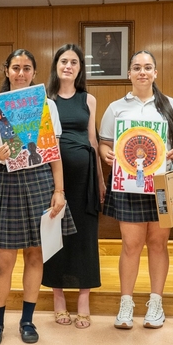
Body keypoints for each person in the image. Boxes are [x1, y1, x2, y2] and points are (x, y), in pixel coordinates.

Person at [0, 49, 75, 345]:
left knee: (35, 255)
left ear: (34, 72)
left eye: (27, 68)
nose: (21, 73)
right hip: (6, 181)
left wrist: (59, 191)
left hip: (40, 180)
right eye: (16, 67)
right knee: (3, 261)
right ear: (7, 70)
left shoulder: (47, 105)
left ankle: (27, 321)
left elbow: (54, 154)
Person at [98, 50, 173, 330]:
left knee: (158, 244)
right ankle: (126, 304)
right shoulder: (116, 108)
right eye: (137, 67)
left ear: (155, 73)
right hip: (128, 186)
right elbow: (104, 143)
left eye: (148, 67)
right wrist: (105, 153)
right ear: (129, 74)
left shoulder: (170, 105)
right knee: (131, 245)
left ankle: (156, 303)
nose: (142, 72)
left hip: (161, 184)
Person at [42, 44, 104, 329]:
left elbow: (92, 140)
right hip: (53, 179)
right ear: (56, 65)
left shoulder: (88, 99)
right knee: (55, 235)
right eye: (64, 61)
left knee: (85, 237)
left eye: (74, 62)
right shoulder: (45, 100)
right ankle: (58, 300)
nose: (68, 66)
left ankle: (83, 301)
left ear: (80, 68)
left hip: (85, 179)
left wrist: (100, 179)